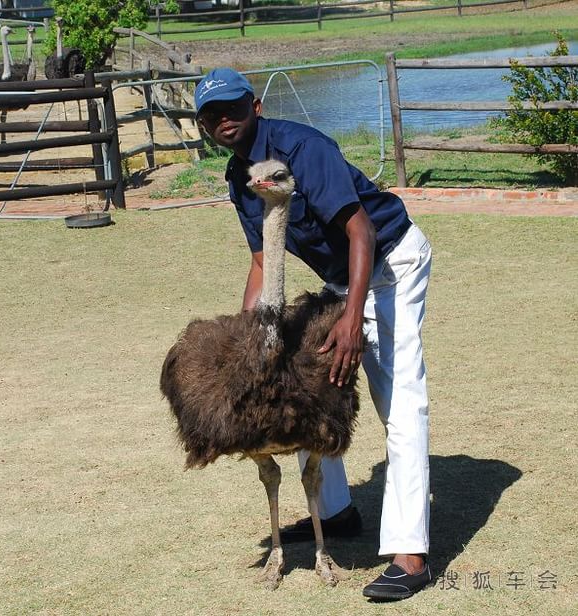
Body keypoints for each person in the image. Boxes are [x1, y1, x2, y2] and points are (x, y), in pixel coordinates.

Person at [194, 67, 433, 601]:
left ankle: (410, 551)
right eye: (211, 115)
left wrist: (352, 318)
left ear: (254, 106)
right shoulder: (241, 176)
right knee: (294, 377)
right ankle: (336, 512)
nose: (222, 120)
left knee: (398, 397)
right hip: (340, 275)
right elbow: (262, 260)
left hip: (391, 262)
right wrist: (247, 344)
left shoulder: (304, 149)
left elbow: (360, 229)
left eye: (231, 108)